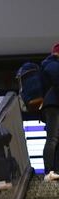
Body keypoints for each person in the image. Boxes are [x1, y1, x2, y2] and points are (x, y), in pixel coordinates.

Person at [41, 43, 59, 181]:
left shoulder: (51, 64)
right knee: (52, 138)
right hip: (53, 105)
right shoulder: (52, 64)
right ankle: (49, 171)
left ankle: (55, 170)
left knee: (55, 139)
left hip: (53, 104)